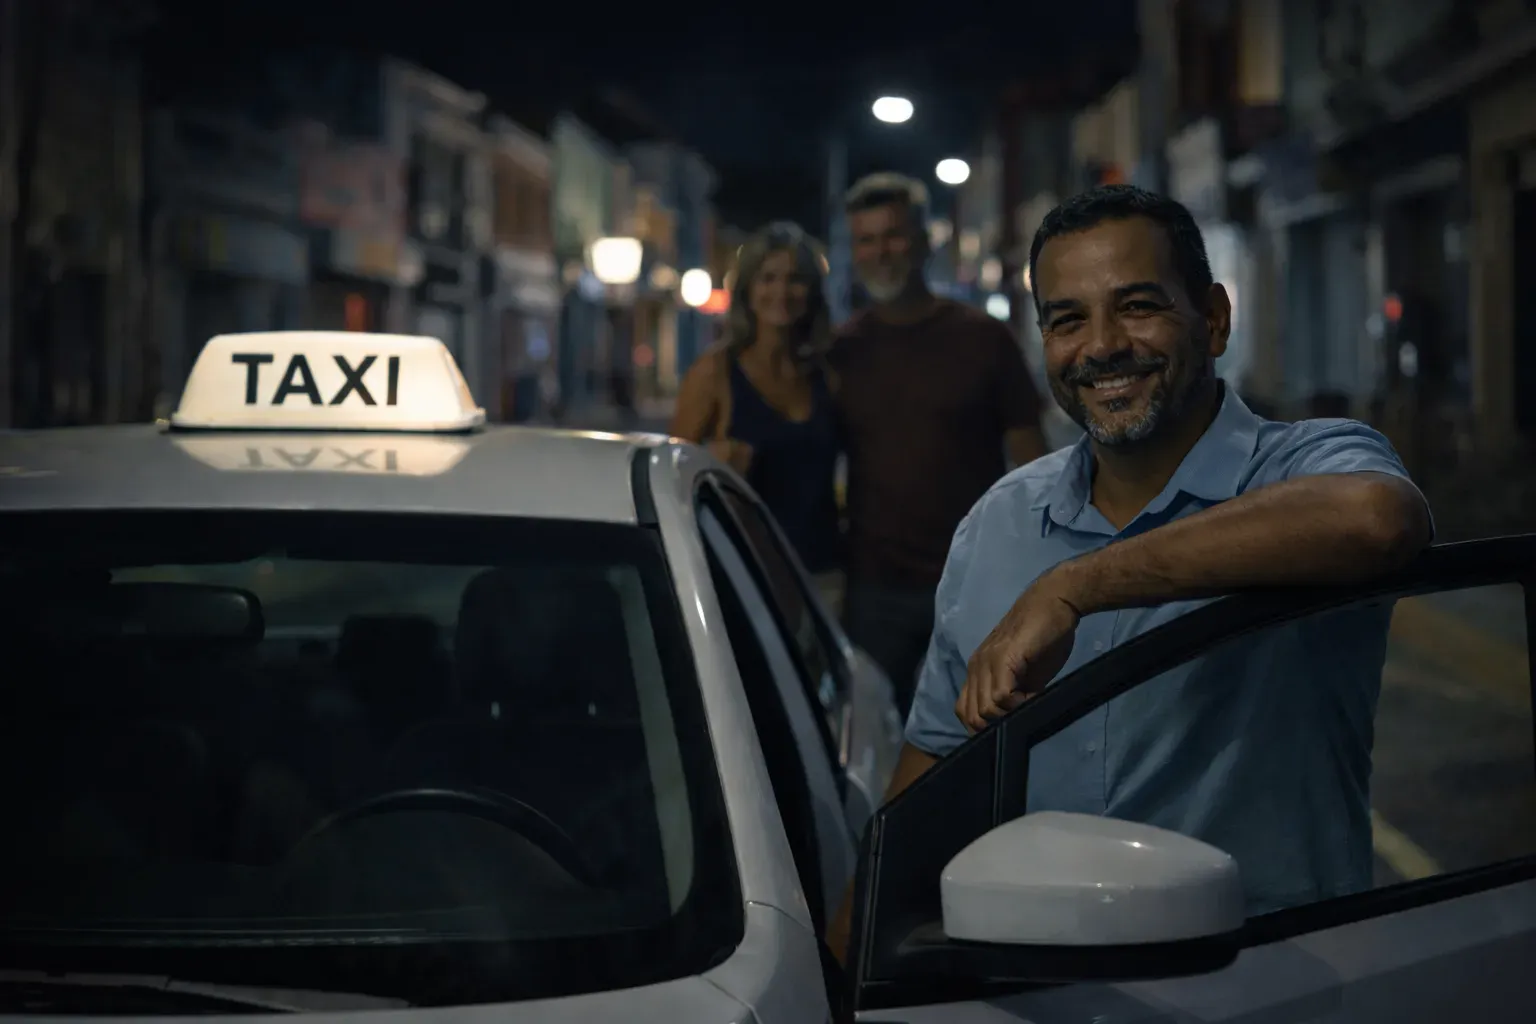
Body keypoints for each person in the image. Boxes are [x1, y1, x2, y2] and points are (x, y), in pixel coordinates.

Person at [827, 184, 1433, 957]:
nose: (1103, 346)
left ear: (1213, 318)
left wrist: (1075, 586)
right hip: (1041, 988)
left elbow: (1379, 522)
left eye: (1138, 305)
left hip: (1277, 983)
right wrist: (844, 959)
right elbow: (933, 775)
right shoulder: (998, 524)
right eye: (1067, 319)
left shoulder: (1304, 464)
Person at [831, 173, 1048, 716]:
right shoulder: (841, 352)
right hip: (873, 591)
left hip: (974, 585)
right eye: (866, 239)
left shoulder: (982, 339)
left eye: (894, 235)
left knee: (976, 743)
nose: (881, 251)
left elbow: (1037, 465)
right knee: (877, 748)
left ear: (926, 241)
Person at [671, 222, 842, 582]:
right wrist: (710, 465)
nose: (782, 290)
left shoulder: (826, 375)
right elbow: (671, 480)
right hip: (744, 582)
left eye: (795, 279)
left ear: (812, 292)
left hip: (822, 578)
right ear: (747, 289)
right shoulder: (715, 373)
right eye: (768, 278)